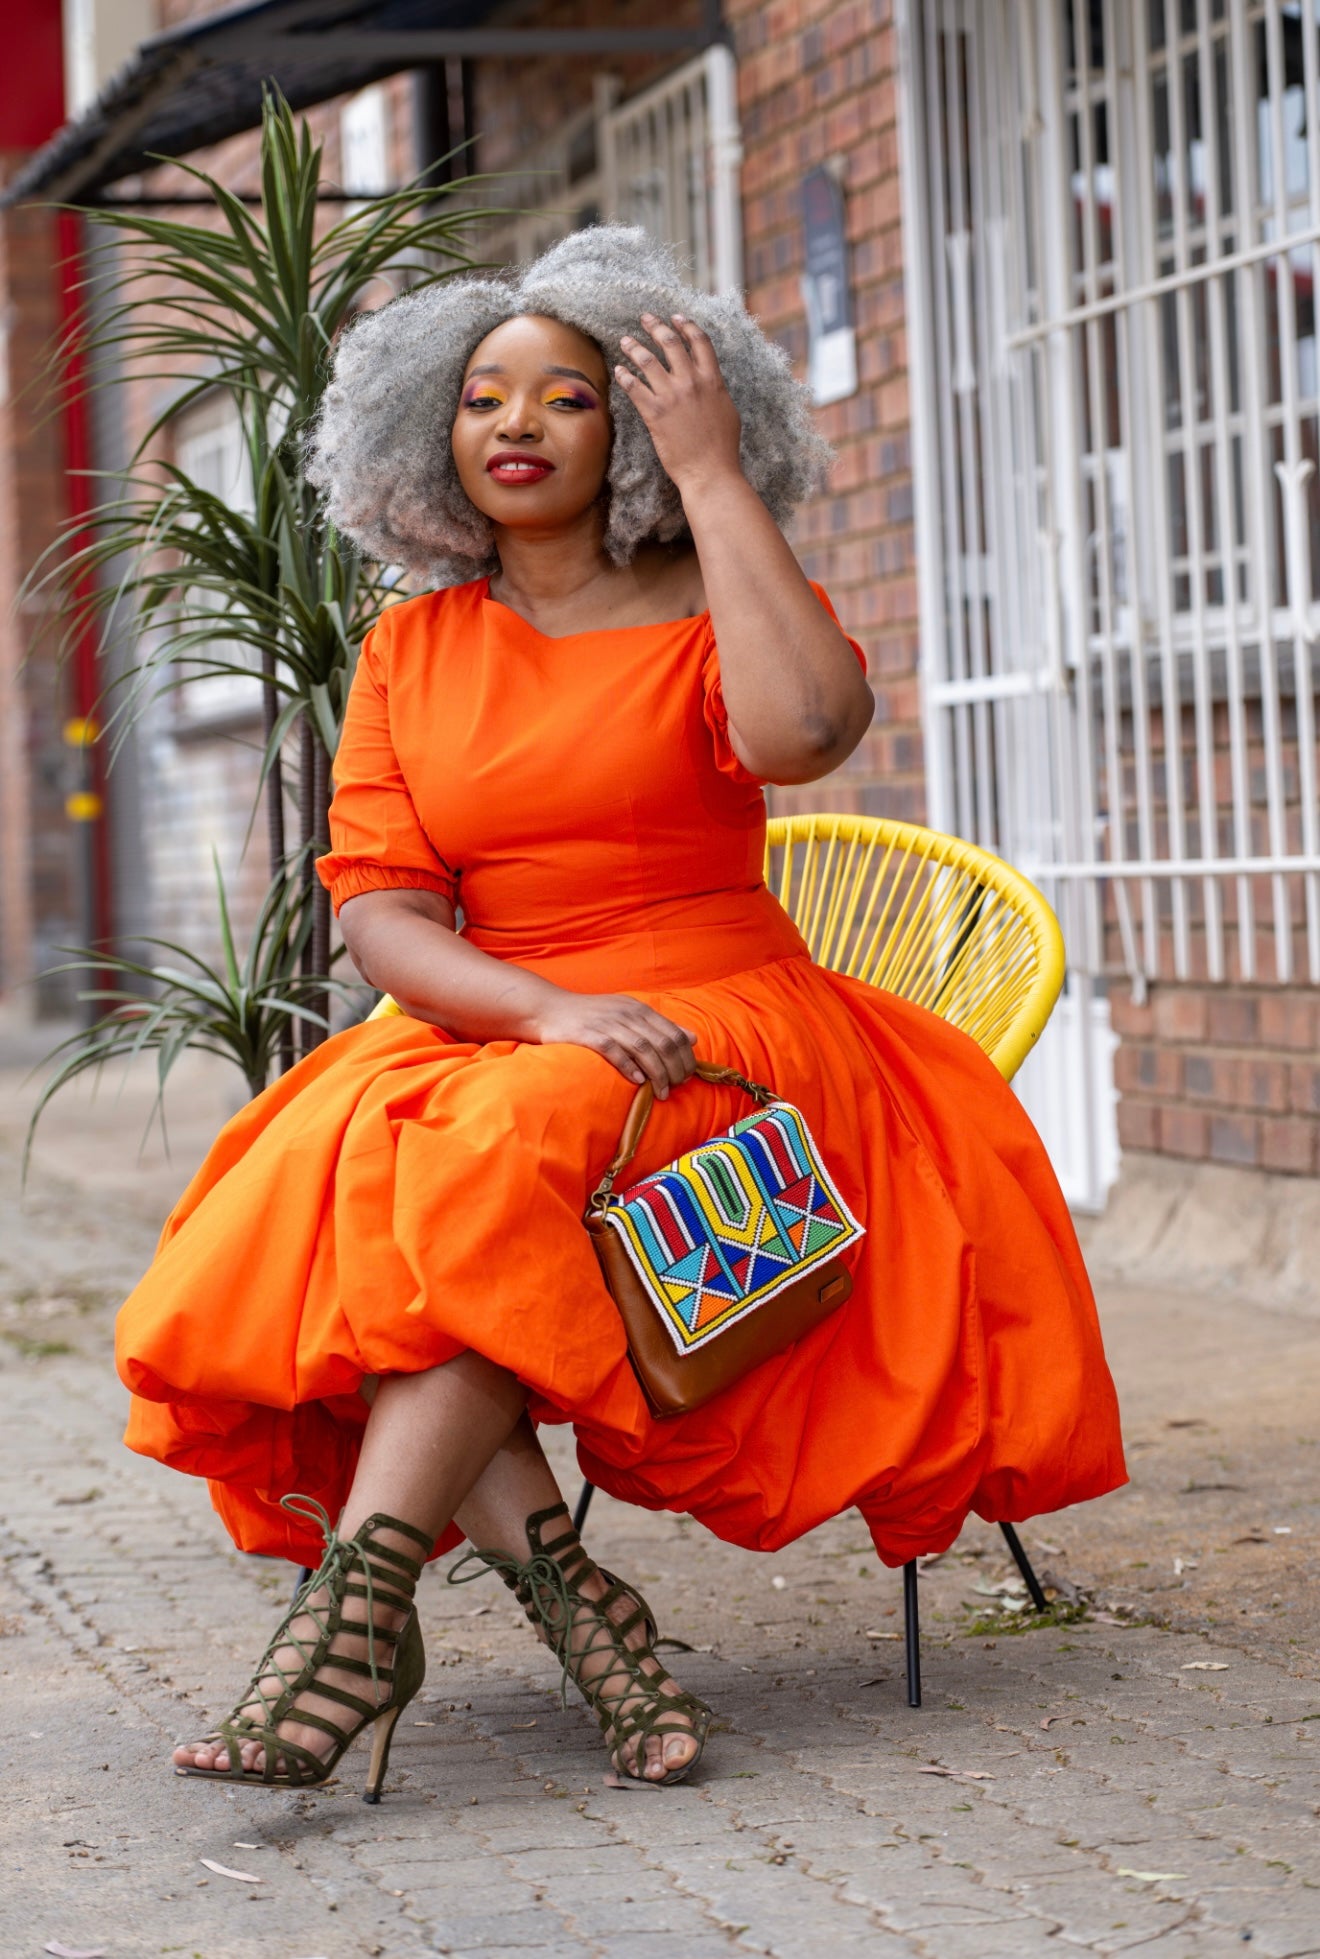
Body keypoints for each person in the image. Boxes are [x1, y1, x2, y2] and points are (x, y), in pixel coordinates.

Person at [115, 226, 1125, 1800]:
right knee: (384, 1188)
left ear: (632, 430)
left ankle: (360, 1623)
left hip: (723, 1024)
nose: (515, 423)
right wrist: (544, 1011)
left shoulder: (709, 589)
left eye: (568, 396)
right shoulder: (411, 643)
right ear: (428, 435)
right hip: (508, 1018)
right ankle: (571, 1614)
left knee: (460, 1183)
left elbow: (805, 736)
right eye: (481, 397)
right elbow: (381, 911)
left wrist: (718, 483)